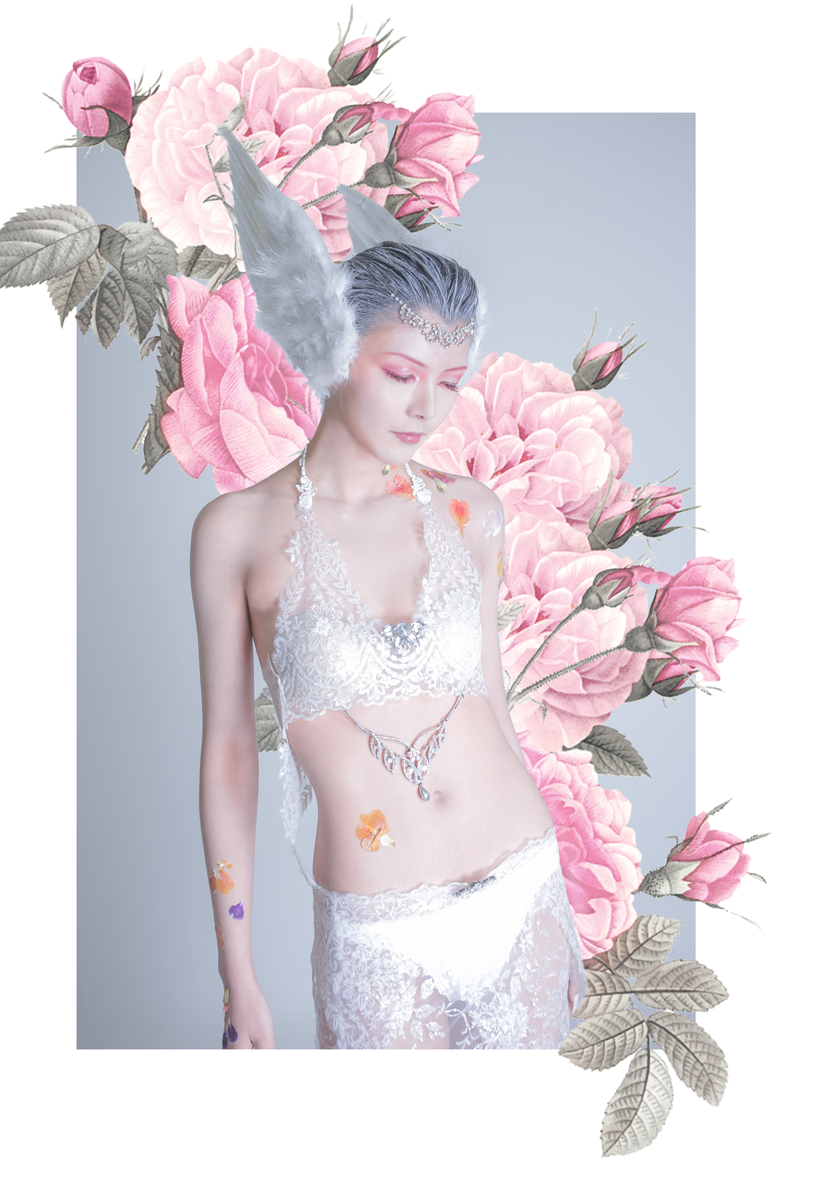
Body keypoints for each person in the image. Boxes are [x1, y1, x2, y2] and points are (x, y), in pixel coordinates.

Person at [191, 129, 587, 1050]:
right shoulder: (235, 533)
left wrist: (565, 904)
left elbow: (491, 701)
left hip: (522, 888)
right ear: (332, 346)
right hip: (379, 928)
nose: (426, 408)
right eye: (401, 374)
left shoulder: (471, 513)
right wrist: (236, 974)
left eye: (449, 382)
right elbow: (228, 757)